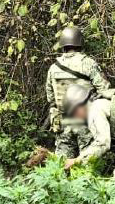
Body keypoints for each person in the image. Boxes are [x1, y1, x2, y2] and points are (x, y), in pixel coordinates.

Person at [45, 26, 110, 159]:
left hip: (63, 120)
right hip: (84, 119)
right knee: (87, 159)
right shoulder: (88, 63)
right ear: (80, 42)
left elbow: (50, 97)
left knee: (62, 160)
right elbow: (105, 90)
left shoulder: (53, 67)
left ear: (63, 44)